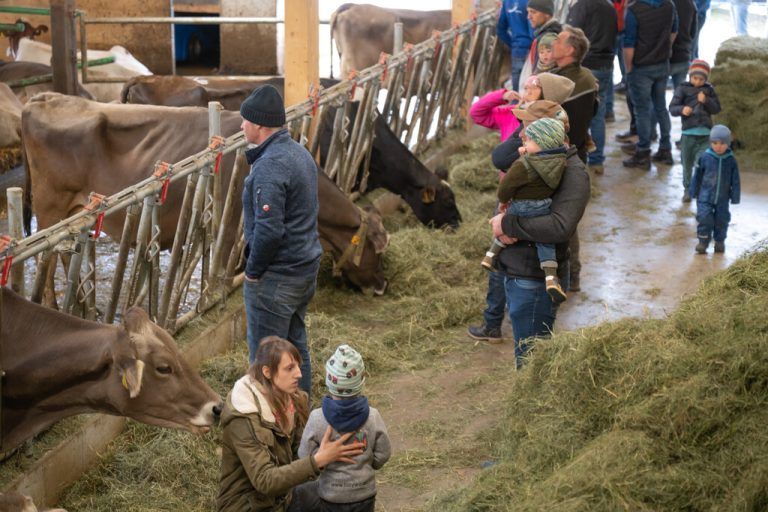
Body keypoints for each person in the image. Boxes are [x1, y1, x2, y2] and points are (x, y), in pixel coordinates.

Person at [467, 76, 575, 344]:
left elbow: (500, 158)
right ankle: (555, 279)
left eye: (532, 88)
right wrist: (503, 95)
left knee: (504, 252)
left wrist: (505, 210)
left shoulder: (535, 141)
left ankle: (493, 321)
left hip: (516, 203)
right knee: (541, 250)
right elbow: (477, 113)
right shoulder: (558, 139)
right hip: (538, 207)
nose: (525, 92)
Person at [217, 337, 365, 512]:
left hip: (283, 497)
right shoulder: (243, 418)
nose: (299, 374)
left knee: (342, 492)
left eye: (298, 366)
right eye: (289, 368)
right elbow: (265, 480)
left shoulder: (292, 399)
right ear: (267, 372)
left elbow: (299, 452)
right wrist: (318, 460)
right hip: (249, 506)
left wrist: (331, 450)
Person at [240, 84, 323, 393]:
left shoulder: (271, 165)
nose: (241, 126)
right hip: (304, 268)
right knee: (296, 350)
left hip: (277, 278)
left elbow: (269, 230)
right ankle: (302, 410)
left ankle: (271, 416)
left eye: (246, 120)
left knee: (267, 360)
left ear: (260, 125)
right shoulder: (299, 153)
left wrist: (252, 272)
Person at [489, 130, 590, 369]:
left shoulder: (572, 172)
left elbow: (560, 226)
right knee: (528, 349)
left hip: (533, 278)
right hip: (522, 270)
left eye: (528, 136)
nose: (521, 141)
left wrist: (507, 224)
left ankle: (531, 391)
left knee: (531, 357)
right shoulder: (543, 160)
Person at [483, 118, 569, 303]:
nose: (524, 144)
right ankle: (550, 277)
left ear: (540, 143)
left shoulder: (524, 164)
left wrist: (503, 202)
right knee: (545, 242)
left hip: (521, 205)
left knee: (504, 224)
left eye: (528, 140)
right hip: (543, 207)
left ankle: (491, 256)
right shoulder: (561, 161)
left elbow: (506, 187)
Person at [298, 344, 391, 512]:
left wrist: (321, 462)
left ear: (329, 382)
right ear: (361, 381)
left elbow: (304, 455)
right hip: (364, 493)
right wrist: (368, 463)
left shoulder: (317, 418)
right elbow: (383, 453)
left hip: (330, 495)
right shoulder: (373, 416)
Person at [621, 0, 678, 170]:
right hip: (662, 64)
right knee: (661, 107)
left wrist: (628, 69)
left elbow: (629, 44)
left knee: (642, 111)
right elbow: (674, 31)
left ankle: (643, 153)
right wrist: (664, 48)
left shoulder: (634, 10)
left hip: (641, 67)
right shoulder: (669, 5)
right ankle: (665, 149)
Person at [566, 0, 618, 175]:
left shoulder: (582, 6)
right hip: (605, 64)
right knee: (598, 114)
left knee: (575, 114)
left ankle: (574, 160)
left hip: (586, 66)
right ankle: (597, 161)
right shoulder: (609, 6)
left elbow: (570, 37)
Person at [669, 59, 721, 201]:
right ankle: (687, 189)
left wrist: (706, 100)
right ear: (690, 76)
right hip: (688, 135)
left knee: (702, 163)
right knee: (686, 164)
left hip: (705, 135)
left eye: (701, 79)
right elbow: (672, 108)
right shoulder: (682, 89)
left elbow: (717, 109)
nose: (697, 82)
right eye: (695, 78)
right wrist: (682, 109)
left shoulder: (709, 90)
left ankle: (701, 188)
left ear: (706, 79)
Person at [689, 125, 740, 254]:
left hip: (723, 198)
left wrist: (735, 196)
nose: (718, 146)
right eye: (715, 143)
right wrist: (693, 191)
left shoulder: (731, 160)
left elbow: (735, 180)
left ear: (728, 143)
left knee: (722, 220)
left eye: (722, 143)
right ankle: (703, 241)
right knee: (704, 218)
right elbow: (697, 176)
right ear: (710, 142)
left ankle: (719, 241)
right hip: (705, 196)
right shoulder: (705, 157)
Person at [519, 0, 563, 87]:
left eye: (533, 12)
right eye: (528, 12)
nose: (528, 17)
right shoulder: (543, 34)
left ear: (547, 14)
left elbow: (542, 74)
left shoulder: (548, 38)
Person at [497, 0, 534, 91]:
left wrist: (513, 44)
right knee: (531, 89)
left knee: (516, 91)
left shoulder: (507, 2)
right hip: (530, 50)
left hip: (517, 50)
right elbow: (532, 31)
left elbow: (500, 30)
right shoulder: (529, 2)